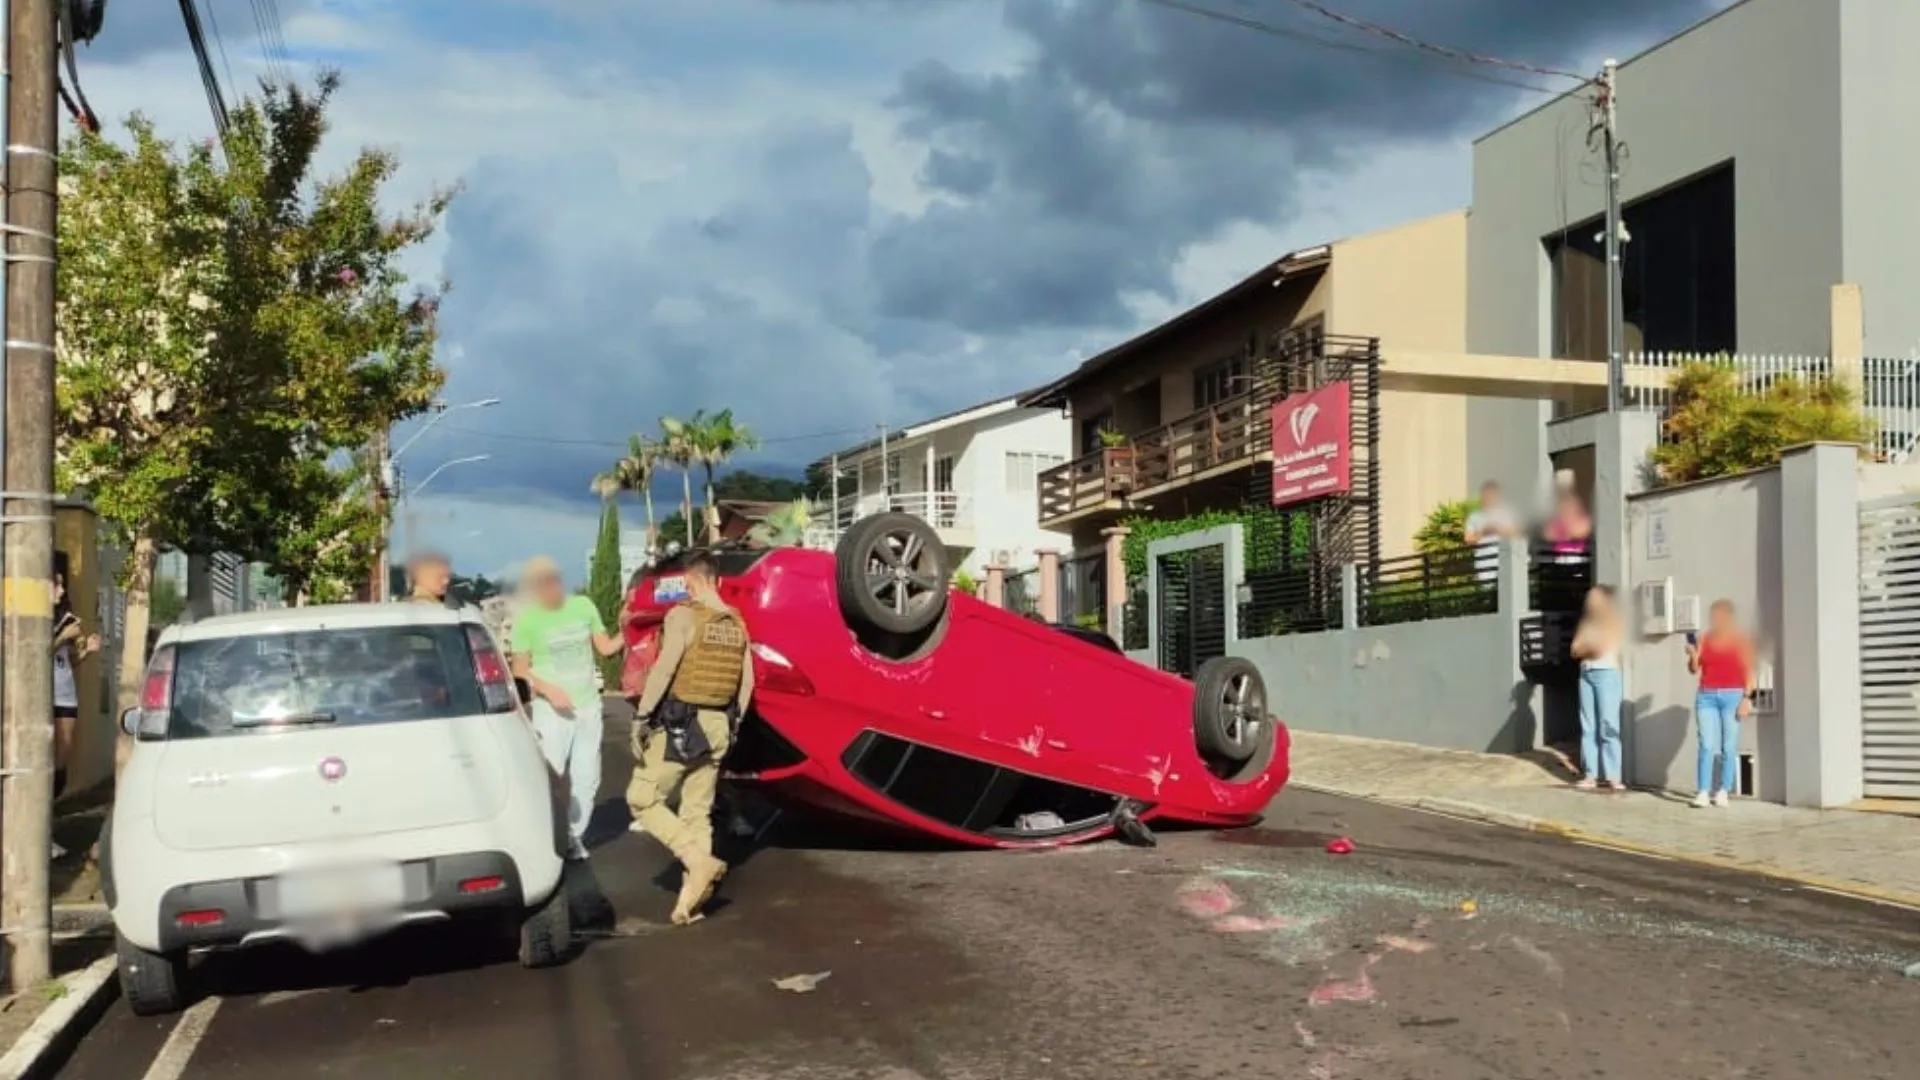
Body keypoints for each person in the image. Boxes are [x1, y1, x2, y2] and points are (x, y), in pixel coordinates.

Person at [627, 553, 751, 925]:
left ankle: (697, 861)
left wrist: (642, 716)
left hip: (682, 725)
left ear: (689, 582)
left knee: (642, 798)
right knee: (697, 812)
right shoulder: (736, 622)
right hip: (719, 725)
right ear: (717, 581)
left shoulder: (683, 615)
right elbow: (746, 683)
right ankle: (690, 903)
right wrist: (731, 725)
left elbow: (665, 669)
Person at [510, 555, 625, 858]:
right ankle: (546, 836)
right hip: (551, 711)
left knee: (589, 777)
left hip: (588, 706)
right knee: (552, 774)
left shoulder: (584, 606)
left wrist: (630, 628)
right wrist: (548, 690)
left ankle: (573, 837)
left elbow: (605, 648)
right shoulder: (527, 620)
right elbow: (519, 669)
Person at [51, 572, 102, 858]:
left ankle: (48, 824)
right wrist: (62, 635)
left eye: (62, 585)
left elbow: (66, 659)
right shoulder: (33, 618)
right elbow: (32, 654)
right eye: (56, 584)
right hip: (46, 698)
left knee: (62, 763)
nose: (61, 591)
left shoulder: (63, 616)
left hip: (66, 694)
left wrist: (86, 651)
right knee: (46, 765)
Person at [1685, 599, 1755, 809]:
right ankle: (1703, 791)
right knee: (1706, 744)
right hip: (1706, 696)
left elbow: (1750, 670)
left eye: (1719, 616)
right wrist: (1693, 656)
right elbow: (1694, 669)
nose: (1715, 620)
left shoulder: (1741, 640)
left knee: (1728, 745)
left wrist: (1747, 698)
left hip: (1733, 696)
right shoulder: (1705, 639)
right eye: (1713, 617)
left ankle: (1724, 790)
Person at [1569, 585, 1624, 791]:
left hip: (1606, 673)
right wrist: (1585, 648)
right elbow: (1574, 650)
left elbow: (1597, 648)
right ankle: (1590, 774)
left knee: (1608, 725)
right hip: (1586, 673)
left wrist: (1586, 648)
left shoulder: (1614, 621)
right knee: (1588, 725)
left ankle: (1613, 776)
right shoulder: (1586, 624)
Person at [1463, 481, 1520, 584]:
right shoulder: (1474, 516)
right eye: (1486, 495)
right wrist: (1483, 532)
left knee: (1507, 587)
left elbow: (1517, 534)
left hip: (1506, 558)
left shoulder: (1506, 514)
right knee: (1488, 589)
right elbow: (1468, 539)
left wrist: (1499, 529)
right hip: (1485, 561)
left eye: (1492, 495)